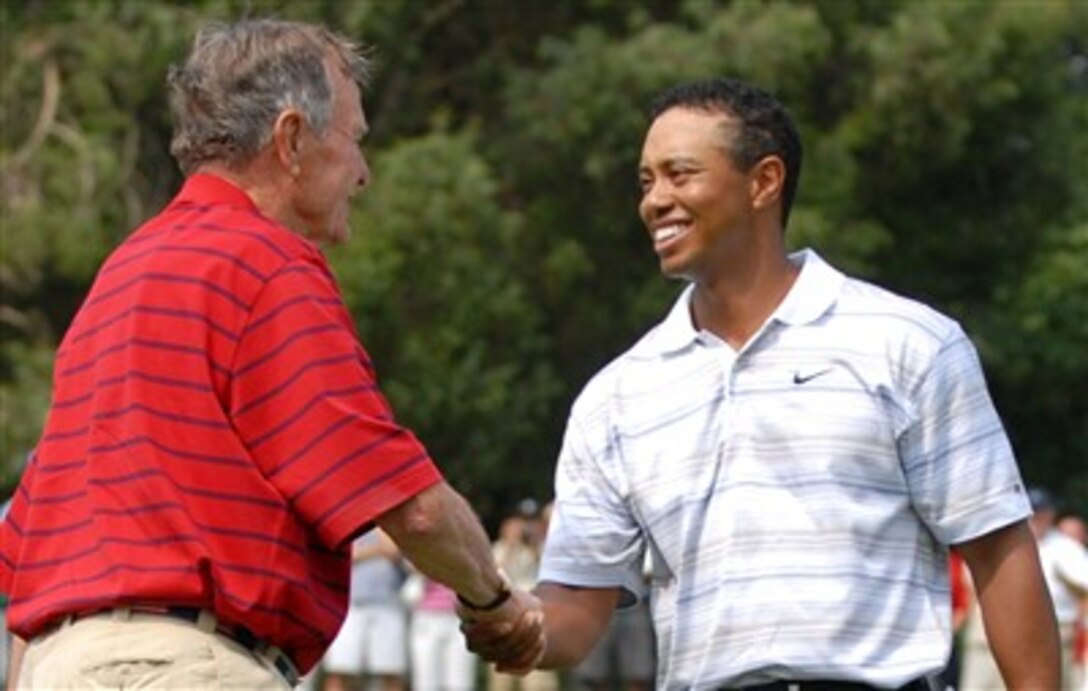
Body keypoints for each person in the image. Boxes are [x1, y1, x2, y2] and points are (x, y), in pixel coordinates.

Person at [462, 77, 1060, 689]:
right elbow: (578, 606)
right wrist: (520, 623)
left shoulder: (908, 344)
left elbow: (999, 554)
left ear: (764, 182)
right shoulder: (616, 397)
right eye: (646, 181)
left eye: (680, 174)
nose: (654, 200)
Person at [0, 18, 541, 689]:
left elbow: (33, 552)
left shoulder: (120, 275)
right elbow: (411, 504)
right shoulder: (264, 264)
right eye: (355, 139)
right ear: (290, 139)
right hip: (184, 665)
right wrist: (496, 600)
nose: (364, 173)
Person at [321, 529, 409, 691]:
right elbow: (344, 556)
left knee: (390, 671)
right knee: (340, 670)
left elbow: (392, 550)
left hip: (388, 604)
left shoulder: (390, 520)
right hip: (349, 605)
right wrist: (376, 550)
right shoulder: (350, 518)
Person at [1030, 488, 1088, 691]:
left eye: (1040, 514)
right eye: (1032, 513)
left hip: (1060, 628)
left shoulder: (1067, 547)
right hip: (1018, 629)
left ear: (1050, 515)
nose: (1036, 519)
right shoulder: (1013, 546)